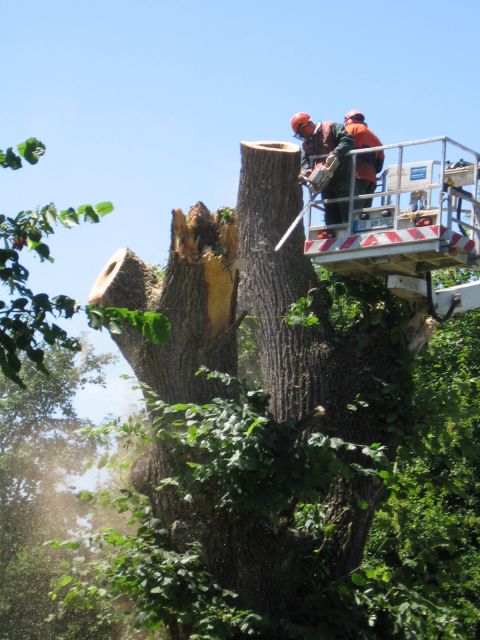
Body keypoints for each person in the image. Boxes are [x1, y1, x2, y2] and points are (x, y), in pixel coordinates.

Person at [291, 112, 354, 226]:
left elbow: (348, 140)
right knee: (329, 210)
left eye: (302, 132)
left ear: (308, 125)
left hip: (342, 175)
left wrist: (335, 154)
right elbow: (305, 160)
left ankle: (348, 228)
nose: (303, 136)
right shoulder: (307, 143)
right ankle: (332, 233)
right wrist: (306, 172)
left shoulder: (331, 127)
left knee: (345, 206)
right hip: (325, 180)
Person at [343, 110, 384, 211]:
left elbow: (337, 148)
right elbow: (379, 166)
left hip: (355, 176)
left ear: (348, 120)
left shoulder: (348, 129)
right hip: (370, 180)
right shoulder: (375, 137)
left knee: (351, 213)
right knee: (364, 214)